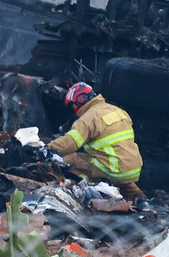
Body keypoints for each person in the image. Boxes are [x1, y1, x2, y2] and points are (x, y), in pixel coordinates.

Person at [47, 82, 152, 211]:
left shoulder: (88, 118)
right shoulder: (118, 111)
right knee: (116, 172)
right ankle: (142, 200)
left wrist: (47, 148)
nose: (73, 109)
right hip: (132, 167)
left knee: (70, 159)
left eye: (73, 105)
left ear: (80, 100)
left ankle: (93, 190)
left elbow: (70, 143)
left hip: (113, 168)